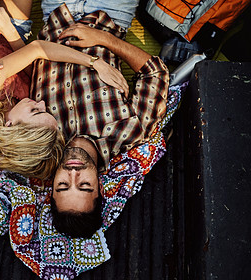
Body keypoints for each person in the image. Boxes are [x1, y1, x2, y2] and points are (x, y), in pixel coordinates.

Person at [29, 3, 169, 238]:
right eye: (84, 185)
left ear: (51, 190)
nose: (73, 173)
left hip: (55, 13)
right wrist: (102, 38)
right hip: (108, 12)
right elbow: (155, 73)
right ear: (100, 188)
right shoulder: (130, 133)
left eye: (63, 185)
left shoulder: (39, 139)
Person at [0, 0, 127, 180]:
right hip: (13, 31)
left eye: (35, 111)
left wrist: (95, 63)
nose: (41, 103)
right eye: (44, 110)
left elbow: (37, 49)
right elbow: (32, 70)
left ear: (10, 127)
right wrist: (9, 29)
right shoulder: (15, 113)